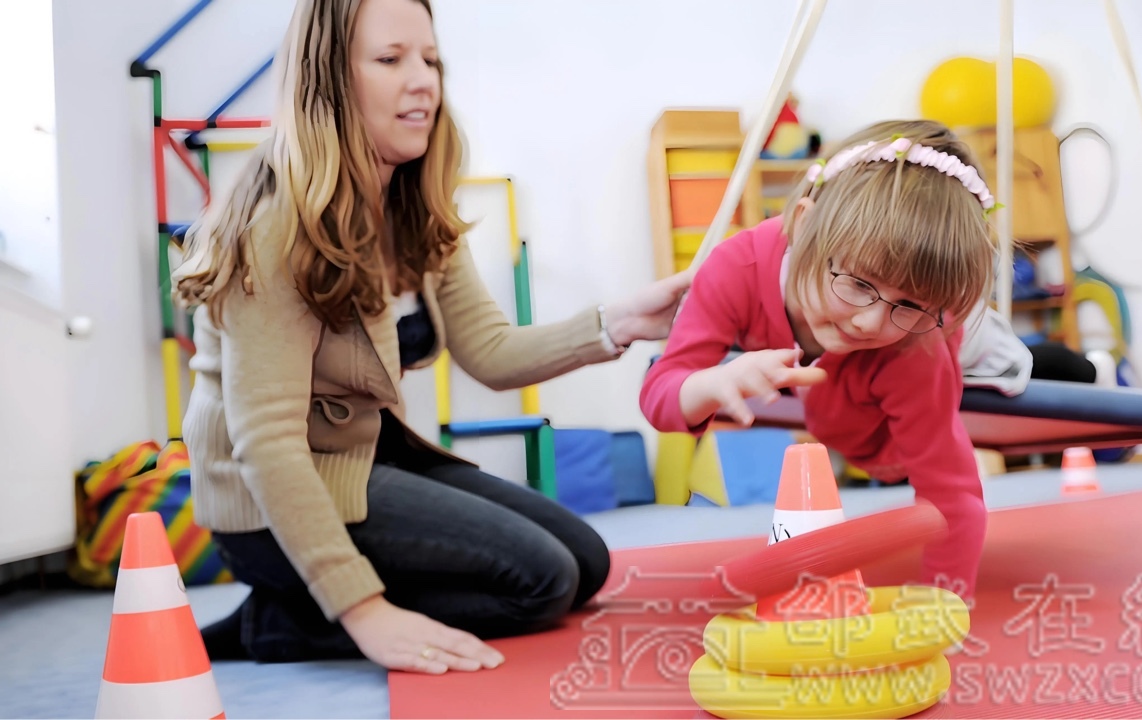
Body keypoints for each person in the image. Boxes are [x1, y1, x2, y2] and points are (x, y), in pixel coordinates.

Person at [172, 0, 691, 675]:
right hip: (266, 507)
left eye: (431, 60)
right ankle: (279, 622)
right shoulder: (276, 229)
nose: (423, 81)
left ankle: (302, 607)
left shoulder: (411, 201)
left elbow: (491, 351)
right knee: (542, 580)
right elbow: (268, 444)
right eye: (391, 59)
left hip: (369, 461)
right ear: (328, 78)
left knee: (584, 562)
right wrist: (366, 613)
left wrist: (618, 323)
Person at [640, 120, 997, 600]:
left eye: (908, 303)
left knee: (1009, 360)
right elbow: (660, 394)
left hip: (969, 349)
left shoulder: (917, 341)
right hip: (856, 389)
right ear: (803, 224)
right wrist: (710, 384)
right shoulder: (736, 268)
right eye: (857, 283)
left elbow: (951, 492)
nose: (869, 322)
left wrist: (946, 604)